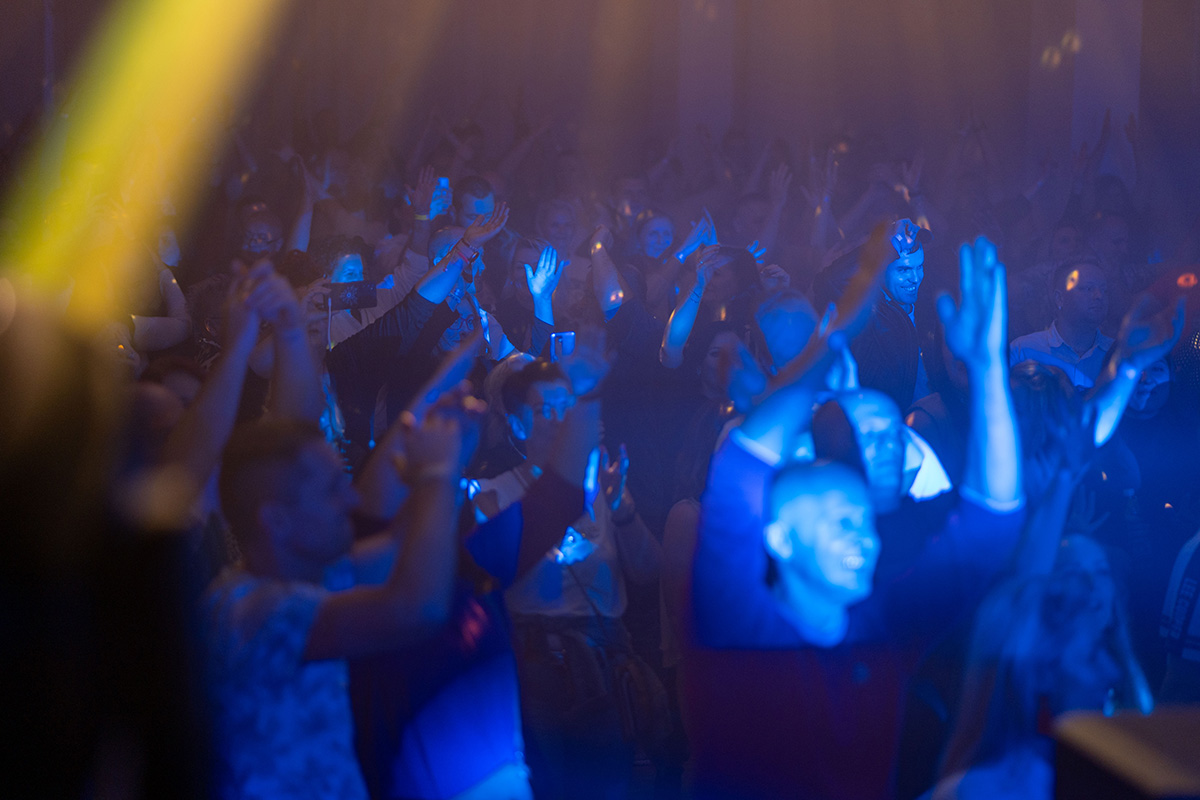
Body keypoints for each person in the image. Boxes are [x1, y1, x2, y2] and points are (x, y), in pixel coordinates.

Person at [685, 235, 1025, 800]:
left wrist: (989, 370)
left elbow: (993, 522)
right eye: (839, 520)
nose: (862, 536)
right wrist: (837, 330)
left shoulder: (881, 631)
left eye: (863, 521)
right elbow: (740, 467)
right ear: (779, 538)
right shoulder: (734, 624)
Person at [204, 386, 476, 799]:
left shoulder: (303, 580)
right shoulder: (252, 612)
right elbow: (417, 609)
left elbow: (398, 547)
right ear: (276, 520)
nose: (351, 498)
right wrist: (436, 476)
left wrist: (452, 453)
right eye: (333, 489)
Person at [1009, 256, 1113, 389]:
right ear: (1059, 298)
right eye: (1088, 288)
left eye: (1104, 290)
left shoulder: (1117, 354)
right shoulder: (1024, 351)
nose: (1099, 296)